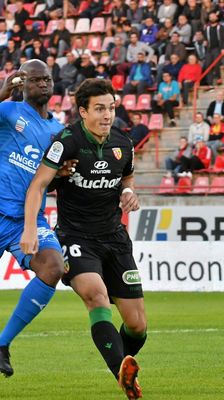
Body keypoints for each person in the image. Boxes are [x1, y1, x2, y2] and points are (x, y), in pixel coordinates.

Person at [20, 79, 146, 400]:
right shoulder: (66, 142)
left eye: (112, 108)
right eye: (100, 109)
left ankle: (124, 363)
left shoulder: (123, 143)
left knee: (137, 327)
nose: (107, 115)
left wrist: (129, 190)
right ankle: (122, 372)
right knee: (96, 296)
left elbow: (126, 176)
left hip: (115, 237)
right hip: (75, 236)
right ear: (83, 111)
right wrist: (31, 228)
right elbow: (37, 185)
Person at [0, 60, 67, 377]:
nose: (43, 83)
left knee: (54, 267)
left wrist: (62, 175)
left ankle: (2, 344)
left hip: (25, 218)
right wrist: (2, 92)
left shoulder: (59, 132)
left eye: (47, 78)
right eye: (36, 78)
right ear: (22, 83)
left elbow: (51, 181)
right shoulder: (10, 111)